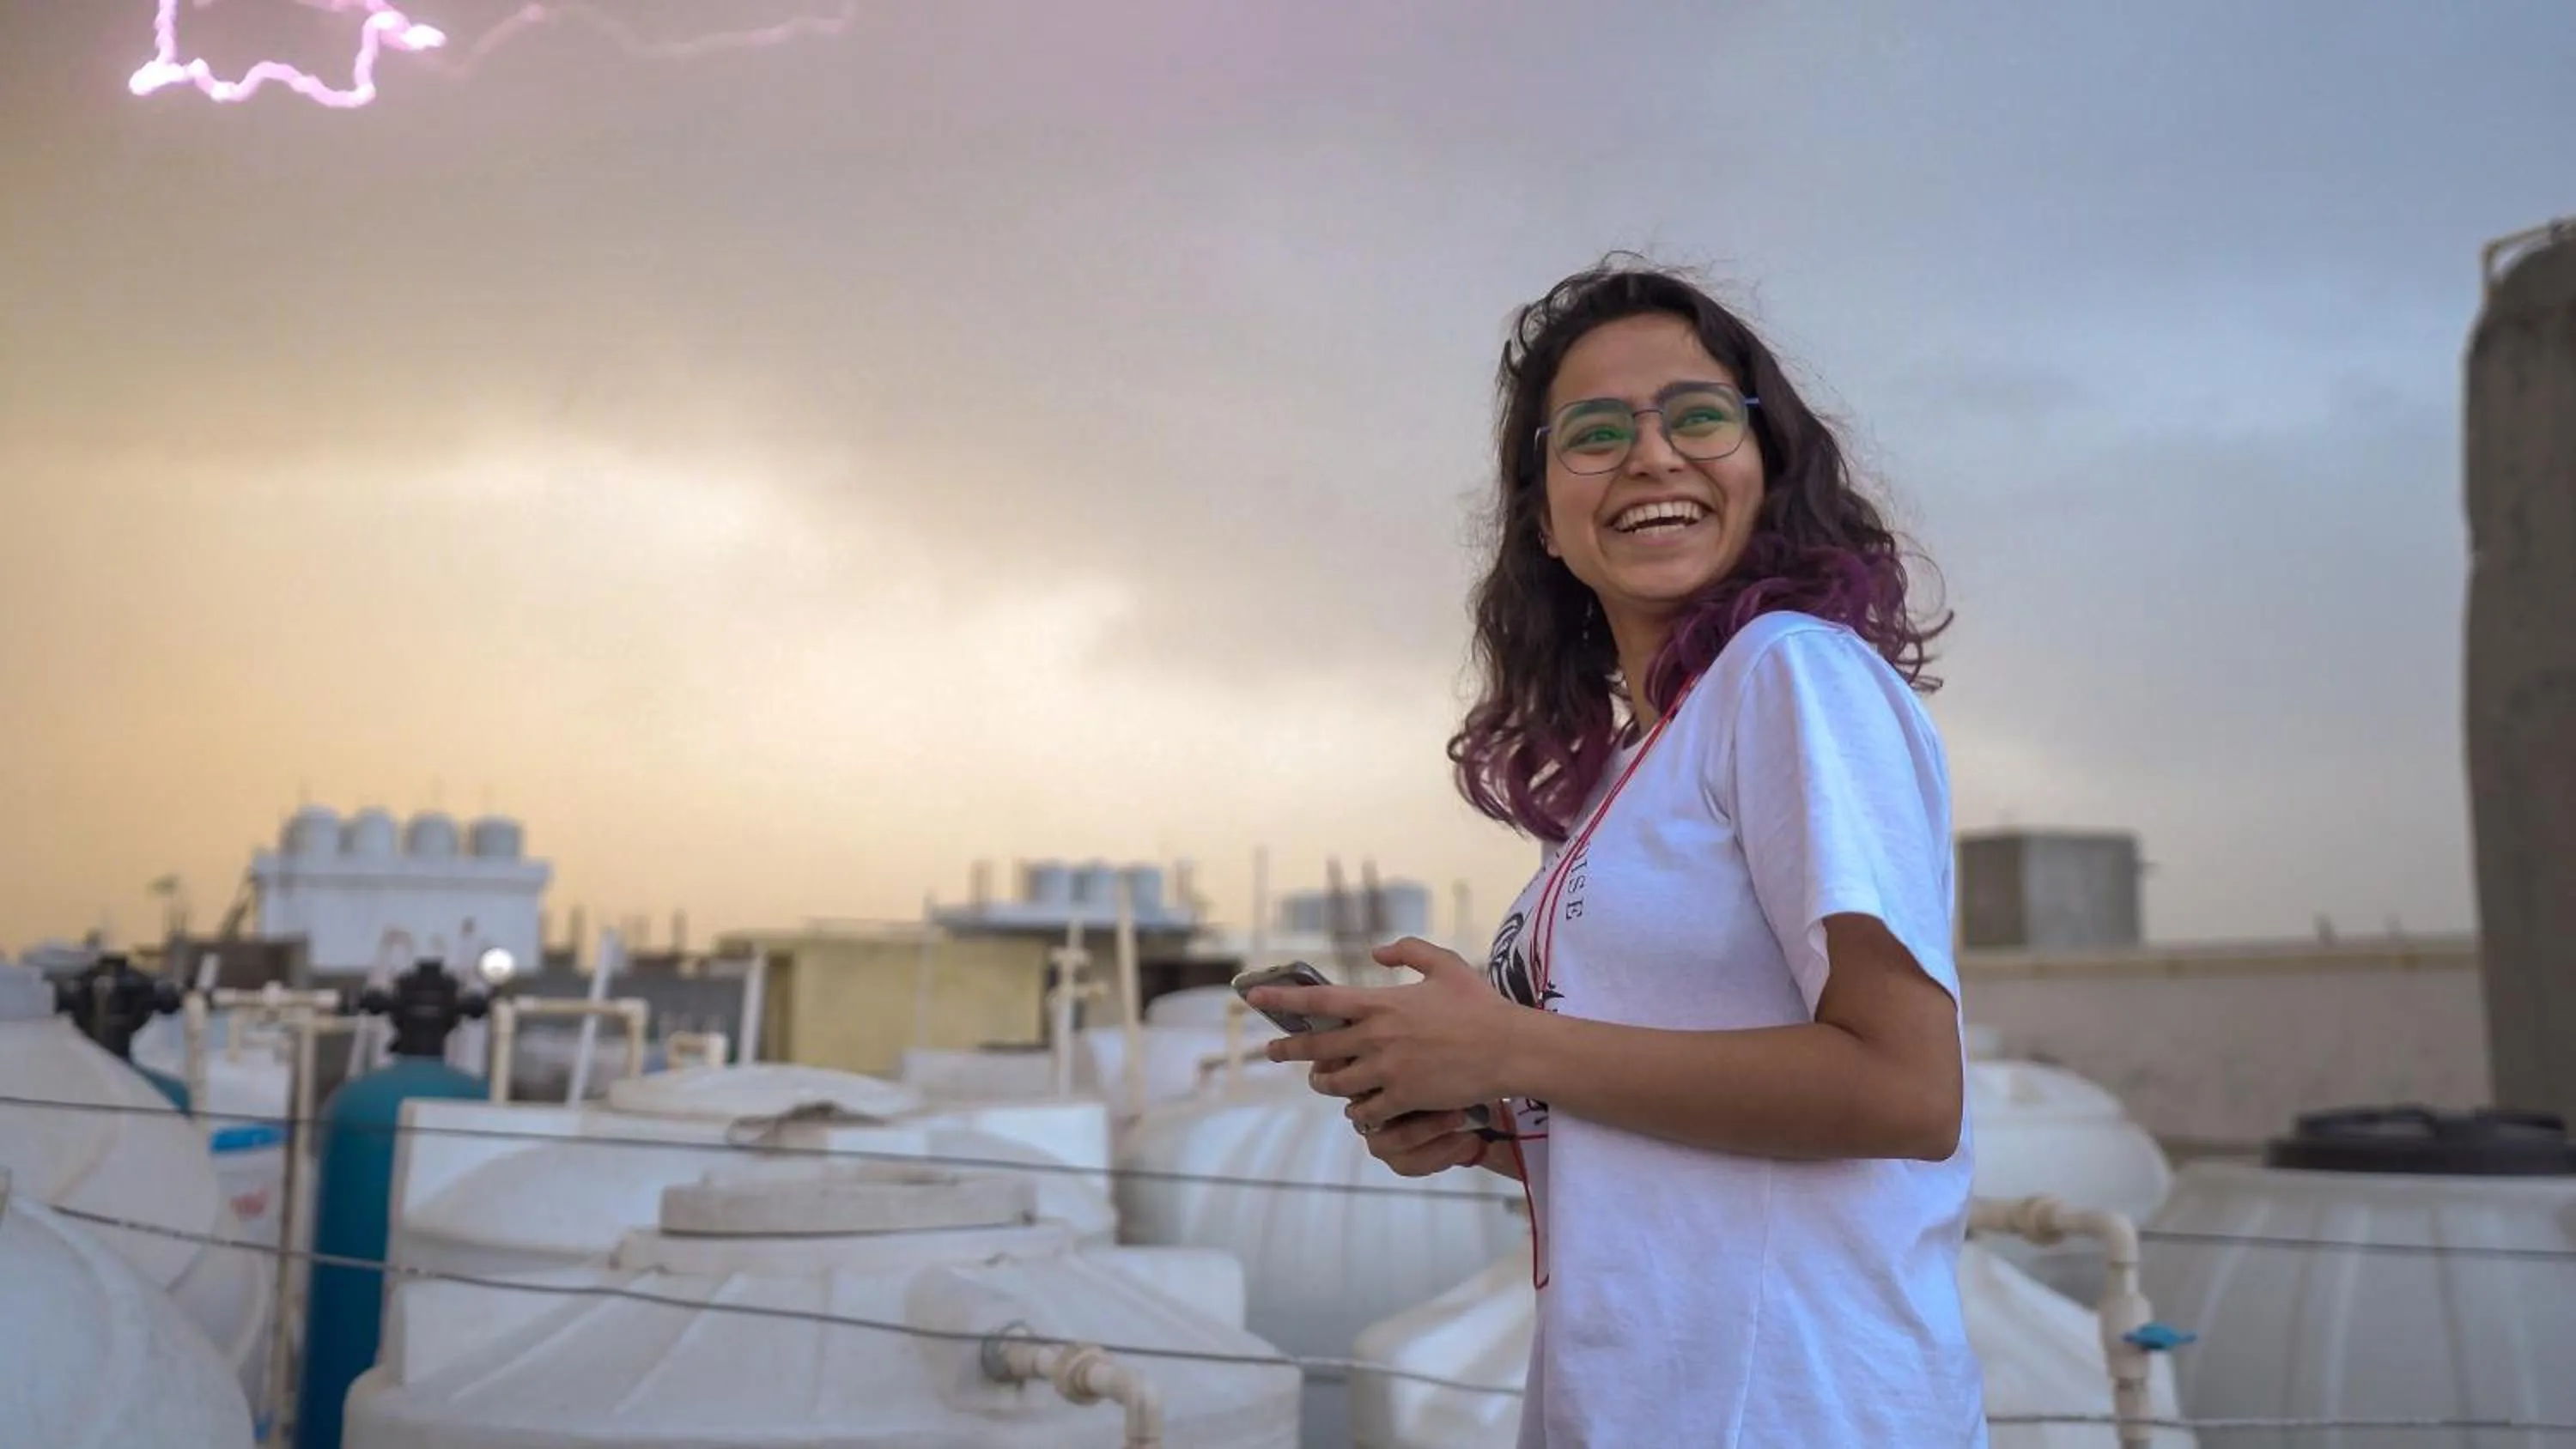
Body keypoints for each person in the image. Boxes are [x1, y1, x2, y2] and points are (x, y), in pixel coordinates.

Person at [1249, 255, 1982, 1446]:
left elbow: (1906, 1091)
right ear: (1543, 517)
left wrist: (1508, 1040)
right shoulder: (1636, 774)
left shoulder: (1791, 674)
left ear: (1767, 465)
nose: (1652, 456)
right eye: (1595, 433)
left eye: (1698, 416)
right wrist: (1497, 1124)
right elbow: (1697, 1142)